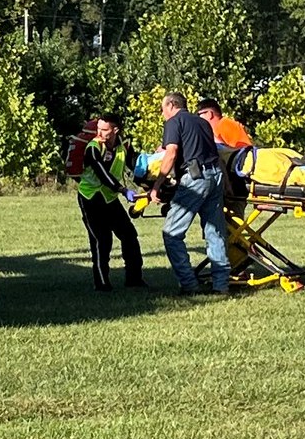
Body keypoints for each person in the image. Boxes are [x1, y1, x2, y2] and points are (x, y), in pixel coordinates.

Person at [151, 93, 231, 295]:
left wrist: (157, 185)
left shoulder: (173, 122)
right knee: (215, 232)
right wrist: (227, 185)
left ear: (171, 104)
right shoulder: (202, 122)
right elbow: (216, 154)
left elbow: (171, 153)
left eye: (162, 108)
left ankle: (189, 284)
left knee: (172, 233)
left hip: (196, 178)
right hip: (215, 176)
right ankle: (221, 285)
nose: (162, 113)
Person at [75, 114, 147, 291]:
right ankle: (102, 283)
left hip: (110, 198)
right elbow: (102, 175)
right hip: (91, 197)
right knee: (101, 240)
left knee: (129, 235)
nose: (99, 132)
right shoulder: (93, 148)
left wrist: (149, 185)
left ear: (115, 130)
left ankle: (134, 279)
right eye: (98, 128)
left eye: (104, 129)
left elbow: (132, 166)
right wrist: (123, 190)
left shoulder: (123, 146)